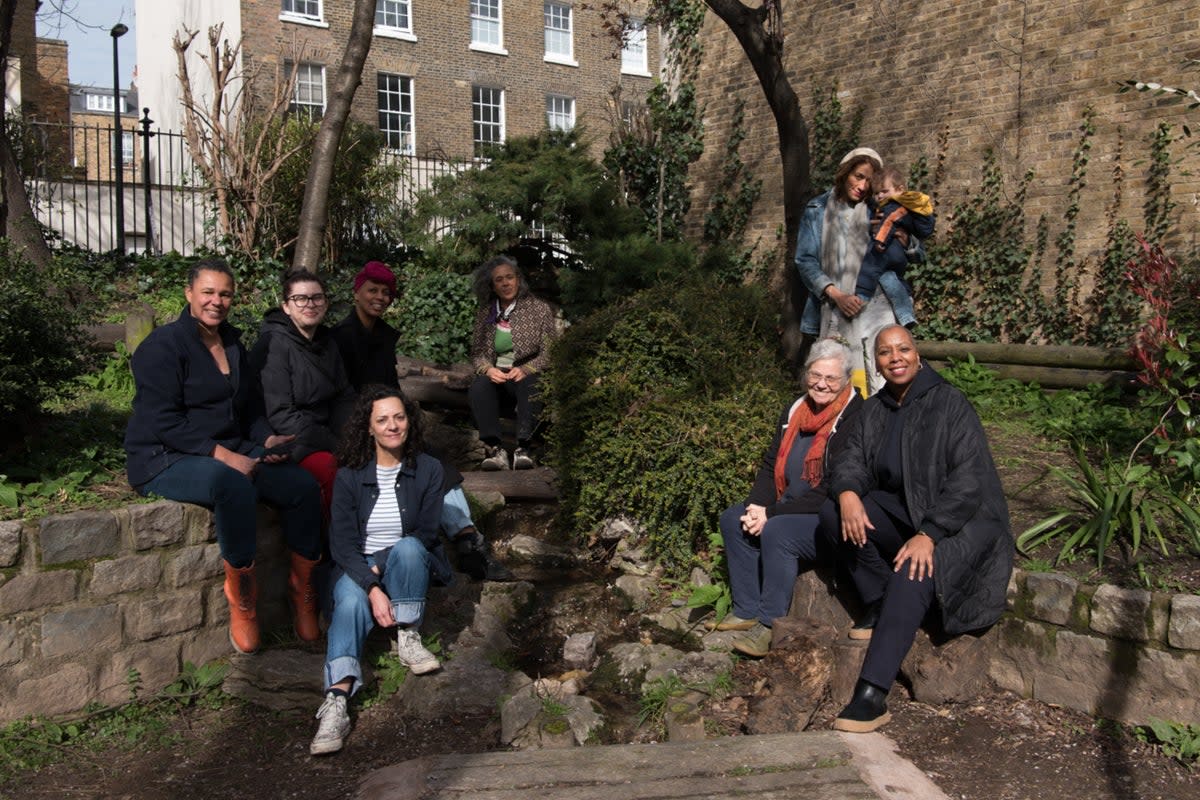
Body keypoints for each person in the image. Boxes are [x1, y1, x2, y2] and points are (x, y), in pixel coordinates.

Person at [819, 325, 1013, 733]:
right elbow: (850, 459)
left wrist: (930, 532)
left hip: (962, 522)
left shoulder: (949, 403)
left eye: (903, 349)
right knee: (833, 513)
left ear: (917, 355)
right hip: (906, 511)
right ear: (877, 363)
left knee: (914, 568)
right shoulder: (875, 410)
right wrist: (849, 493)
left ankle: (872, 693)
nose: (896, 358)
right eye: (886, 352)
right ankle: (878, 599)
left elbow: (969, 479)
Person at [124, 258, 322, 655]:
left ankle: (303, 592)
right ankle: (244, 604)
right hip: (164, 456)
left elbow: (247, 411)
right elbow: (162, 421)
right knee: (232, 484)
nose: (217, 301)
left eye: (225, 293)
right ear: (189, 295)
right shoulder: (162, 346)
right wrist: (225, 457)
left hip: (229, 447)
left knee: (302, 484)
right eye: (208, 292)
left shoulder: (232, 341)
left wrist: (266, 440)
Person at [331, 261, 510, 582]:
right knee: (423, 465)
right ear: (357, 292)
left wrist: (404, 423)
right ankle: (461, 545)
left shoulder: (383, 336)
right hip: (357, 431)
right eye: (373, 290)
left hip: (388, 425)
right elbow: (342, 397)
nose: (380, 297)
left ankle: (468, 541)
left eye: (387, 292)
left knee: (436, 465)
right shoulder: (340, 338)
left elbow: (391, 389)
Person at [310, 385, 448, 755]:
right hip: (356, 565)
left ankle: (408, 633)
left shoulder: (429, 469)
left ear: (409, 421)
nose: (392, 426)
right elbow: (341, 544)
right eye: (382, 420)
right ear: (368, 428)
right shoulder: (351, 475)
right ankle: (337, 701)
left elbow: (426, 533)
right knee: (352, 604)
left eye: (399, 417)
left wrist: (380, 564)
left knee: (408, 547)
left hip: (404, 562)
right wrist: (372, 586)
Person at [715, 339, 864, 658]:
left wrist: (772, 514)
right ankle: (746, 609)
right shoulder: (796, 409)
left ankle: (769, 625)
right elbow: (772, 463)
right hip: (784, 504)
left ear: (846, 380)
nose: (821, 384)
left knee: (777, 531)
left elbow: (831, 489)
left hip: (826, 515)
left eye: (831, 378)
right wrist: (758, 504)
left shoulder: (855, 416)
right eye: (815, 375)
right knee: (732, 519)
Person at [795, 147, 912, 395]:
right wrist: (836, 295)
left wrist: (907, 241)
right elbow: (805, 260)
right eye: (858, 176)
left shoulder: (881, 206)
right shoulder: (817, 209)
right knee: (834, 369)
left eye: (869, 181)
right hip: (832, 305)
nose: (862, 186)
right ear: (845, 172)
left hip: (877, 304)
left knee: (879, 371)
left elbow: (916, 251)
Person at [250, 270, 355, 518]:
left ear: (326, 303)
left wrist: (352, 434)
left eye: (316, 298)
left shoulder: (327, 342)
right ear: (286, 307)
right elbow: (280, 413)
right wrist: (335, 443)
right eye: (300, 298)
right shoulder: (274, 344)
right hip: (293, 439)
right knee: (334, 472)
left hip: (329, 433)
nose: (310, 304)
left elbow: (344, 396)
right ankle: (338, 548)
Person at [468, 255, 558, 471]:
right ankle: (495, 450)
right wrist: (488, 369)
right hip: (498, 374)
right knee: (479, 387)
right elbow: (477, 353)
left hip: (528, 373)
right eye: (499, 279)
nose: (505, 283)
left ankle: (524, 449)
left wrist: (527, 369)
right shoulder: (485, 313)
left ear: (518, 280)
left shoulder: (539, 309)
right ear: (492, 285)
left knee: (532, 384)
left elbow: (551, 351)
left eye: (510, 277)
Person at [853, 166, 934, 330]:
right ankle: (906, 315)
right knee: (889, 277)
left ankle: (861, 296)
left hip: (887, 252)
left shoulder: (892, 205)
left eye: (884, 191)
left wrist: (882, 240)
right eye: (876, 193)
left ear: (900, 189)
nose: (880, 196)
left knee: (872, 265)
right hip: (894, 265)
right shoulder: (911, 206)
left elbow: (889, 223)